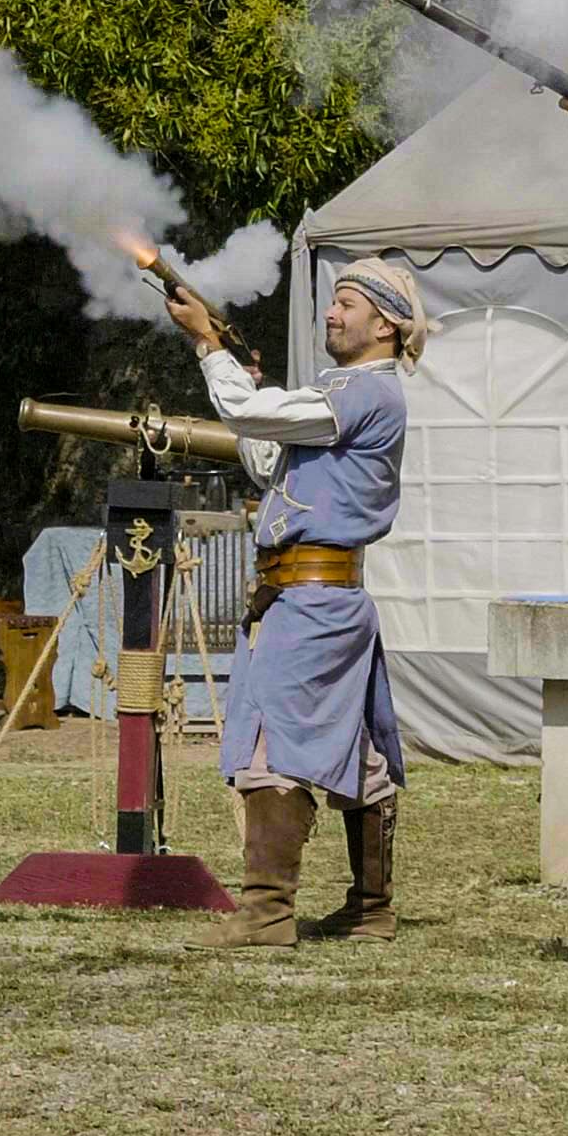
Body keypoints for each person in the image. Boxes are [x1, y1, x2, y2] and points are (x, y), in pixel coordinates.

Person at [175, 259, 424, 947]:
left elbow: (248, 413)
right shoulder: (347, 393)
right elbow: (267, 462)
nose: (332, 314)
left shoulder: (366, 391)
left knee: (271, 744)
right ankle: (370, 909)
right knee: (358, 750)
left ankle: (267, 912)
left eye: (347, 304)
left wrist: (209, 347)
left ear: (385, 324)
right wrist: (249, 388)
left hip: (313, 598)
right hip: (310, 595)